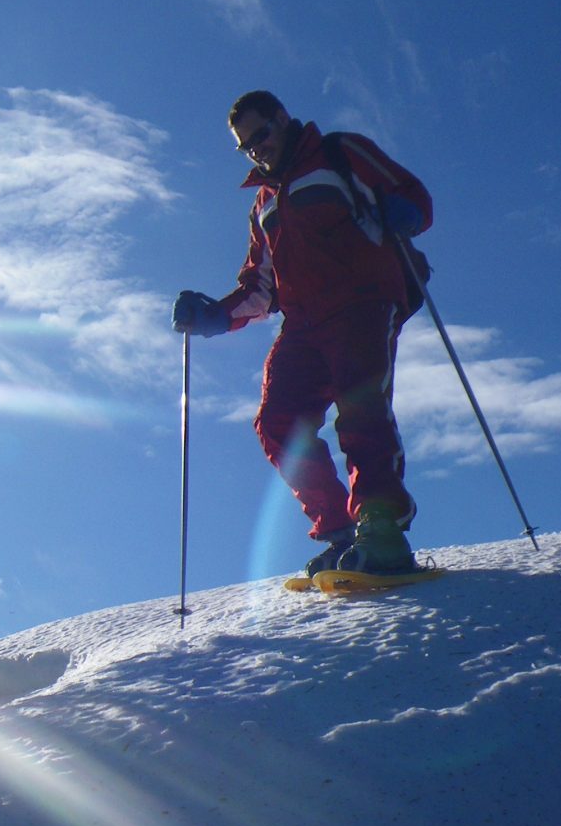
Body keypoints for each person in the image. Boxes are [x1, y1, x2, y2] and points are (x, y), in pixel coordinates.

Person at [171, 91, 433, 578]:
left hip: (365, 299)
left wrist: (407, 213)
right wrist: (213, 316)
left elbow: (413, 194)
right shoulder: (264, 204)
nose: (256, 150)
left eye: (260, 136)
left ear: (282, 120)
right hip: (305, 321)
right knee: (278, 420)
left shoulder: (339, 154)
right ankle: (339, 531)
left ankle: (382, 530)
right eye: (245, 146)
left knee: (361, 407)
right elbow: (261, 285)